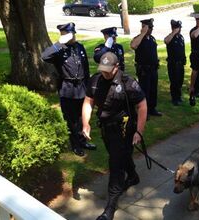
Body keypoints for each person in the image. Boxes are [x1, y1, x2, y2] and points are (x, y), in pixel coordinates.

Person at [82, 52, 147, 220]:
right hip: (106, 128)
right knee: (119, 155)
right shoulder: (96, 80)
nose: (104, 73)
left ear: (116, 67)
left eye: (108, 70)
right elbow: (88, 101)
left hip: (124, 129)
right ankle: (132, 176)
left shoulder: (128, 83)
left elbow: (142, 105)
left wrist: (139, 131)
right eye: (102, 69)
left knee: (115, 164)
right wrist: (86, 123)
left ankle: (109, 207)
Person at [41, 22, 96, 157]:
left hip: (82, 88)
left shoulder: (79, 47)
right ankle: (76, 145)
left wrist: (89, 86)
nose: (73, 37)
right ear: (63, 35)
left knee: (82, 117)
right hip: (68, 89)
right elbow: (44, 56)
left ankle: (83, 141)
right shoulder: (59, 50)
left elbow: (86, 68)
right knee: (71, 120)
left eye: (73, 34)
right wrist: (59, 44)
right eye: (69, 34)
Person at [131, 18, 162, 117]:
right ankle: (145, 111)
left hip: (153, 69)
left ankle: (152, 108)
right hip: (144, 70)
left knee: (153, 90)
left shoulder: (152, 38)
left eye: (152, 27)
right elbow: (133, 45)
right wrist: (143, 33)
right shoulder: (139, 38)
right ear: (144, 28)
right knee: (145, 91)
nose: (151, 29)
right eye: (149, 27)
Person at [164, 19, 186, 106]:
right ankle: (174, 98)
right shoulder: (170, 37)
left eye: (180, 28)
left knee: (180, 81)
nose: (180, 29)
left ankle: (179, 96)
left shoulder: (180, 37)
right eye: (178, 28)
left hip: (180, 63)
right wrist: (173, 32)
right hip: (173, 63)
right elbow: (166, 41)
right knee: (174, 82)